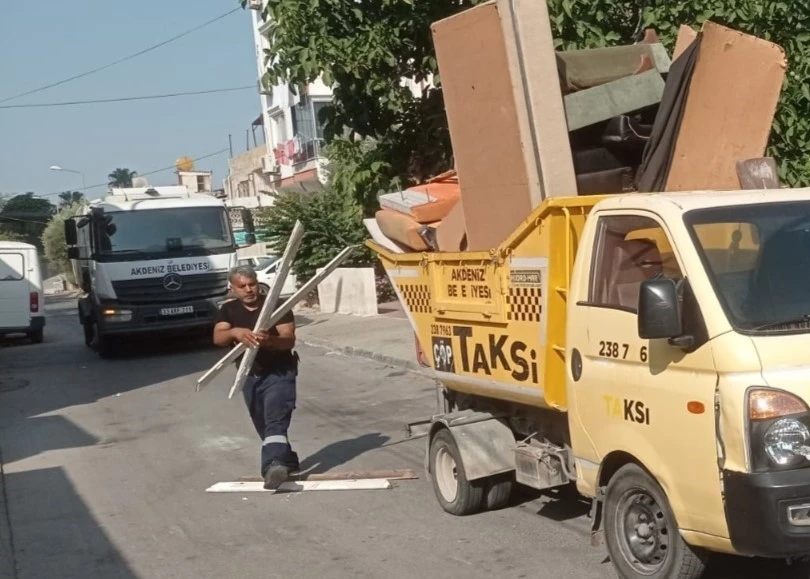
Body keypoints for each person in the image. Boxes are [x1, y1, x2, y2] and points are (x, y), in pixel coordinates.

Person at [213, 265, 300, 489]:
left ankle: (273, 466)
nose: (248, 289)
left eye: (252, 284)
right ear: (232, 288)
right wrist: (235, 332)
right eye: (242, 286)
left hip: (279, 372)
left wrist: (270, 341)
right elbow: (218, 337)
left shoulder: (276, 305)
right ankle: (287, 459)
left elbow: (288, 339)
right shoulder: (228, 310)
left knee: (275, 418)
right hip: (249, 374)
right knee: (261, 422)